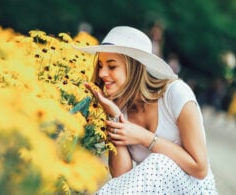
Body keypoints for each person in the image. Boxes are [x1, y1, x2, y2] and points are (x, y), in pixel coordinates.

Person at [75, 26, 217, 194]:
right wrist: (114, 116)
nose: (102, 73)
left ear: (135, 68)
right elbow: (122, 177)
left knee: (158, 162)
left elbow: (200, 169)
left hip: (193, 188)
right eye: (100, 65)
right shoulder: (120, 106)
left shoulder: (175, 94)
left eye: (112, 66)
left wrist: (144, 137)